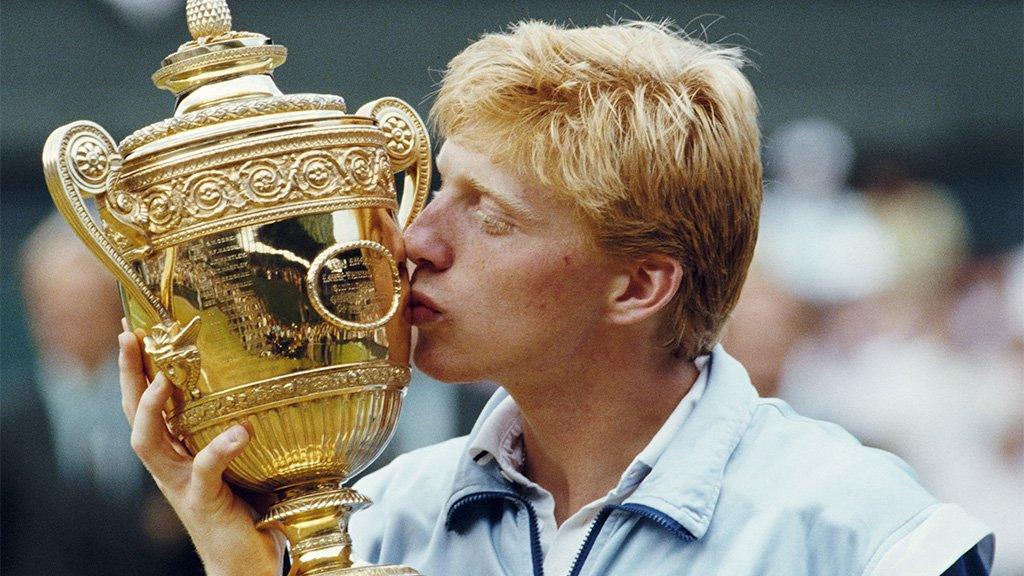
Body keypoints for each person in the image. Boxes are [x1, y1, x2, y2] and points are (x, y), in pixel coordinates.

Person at [117, 21, 994, 575]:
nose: (415, 240)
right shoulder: (383, 524)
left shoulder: (866, 537)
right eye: (438, 190)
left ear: (639, 285)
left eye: (489, 215)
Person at [2, 213, 202, 575]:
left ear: (114, 307)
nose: (69, 324)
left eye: (84, 307)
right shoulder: (11, 426)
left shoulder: (170, 411)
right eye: (56, 308)